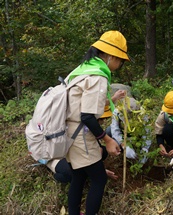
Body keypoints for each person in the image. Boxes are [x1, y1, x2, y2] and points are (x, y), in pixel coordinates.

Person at [65, 30, 129, 215]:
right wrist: (107, 139)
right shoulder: (97, 76)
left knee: (79, 176)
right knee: (99, 179)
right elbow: (86, 116)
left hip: (69, 131)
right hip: (80, 135)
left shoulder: (82, 70)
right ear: (110, 56)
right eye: (120, 60)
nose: (119, 65)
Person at [47, 106, 119, 184]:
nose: (103, 121)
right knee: (72, 174)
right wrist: (98, 171)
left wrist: (98, 166)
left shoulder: (87, 125)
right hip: (57, 156)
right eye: (101, 119)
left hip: (74, 152)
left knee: (103, 151)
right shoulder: (76, 126)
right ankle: (55, 171)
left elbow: (97, 149)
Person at [106, 97, 152, 163]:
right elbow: (115, 130)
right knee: (108, 130)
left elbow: (147, 132)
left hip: (137, 135)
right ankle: (120, 150)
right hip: (123, 133)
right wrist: (124, 145)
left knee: (140, 145)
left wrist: (145, 148)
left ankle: (137, 149)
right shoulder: (117, 112)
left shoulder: (143, 114)